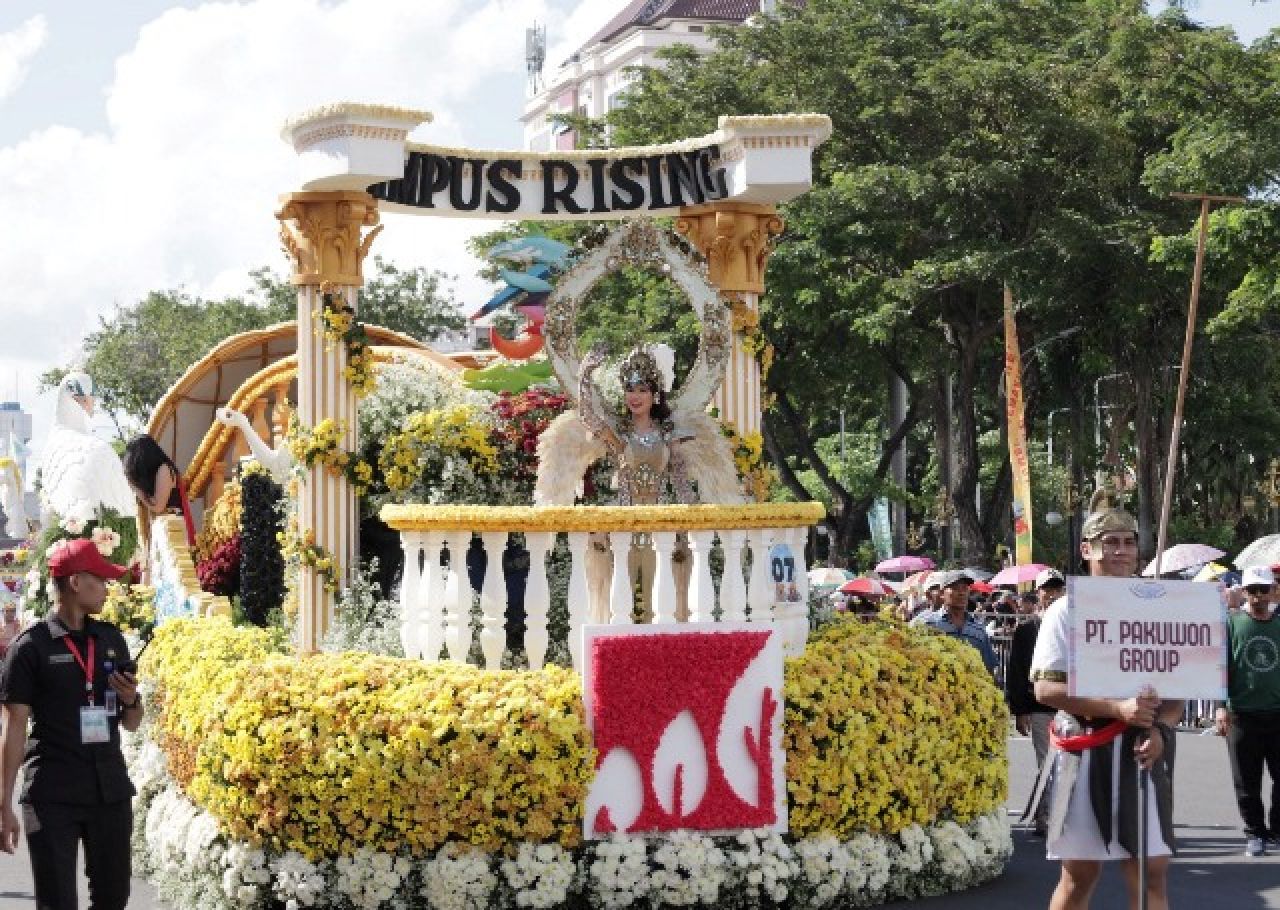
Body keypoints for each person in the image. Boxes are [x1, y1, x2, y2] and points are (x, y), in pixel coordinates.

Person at [1031, 492, 1183, 910]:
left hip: (1142, 755)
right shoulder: (1065, 612)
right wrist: (1117, 709)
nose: (1120, 551)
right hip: (1087, 750)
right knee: (1080, 875)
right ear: (1087, 549)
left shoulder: (1160, 610)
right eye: (1109, 541)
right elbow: (1046, 691)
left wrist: (1161, 729)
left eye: (1128, 542)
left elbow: (1179, 692)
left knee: (1150, 872)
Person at [0, 538, 142, 910]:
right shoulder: (30, 648)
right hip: (52, 793)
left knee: (114, 898)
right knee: (58, 902)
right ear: (76, 583)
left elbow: (131, 723)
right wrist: (4, 805)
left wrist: (131, 699)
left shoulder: (111, 640)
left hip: (108, 790)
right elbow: (13, 728)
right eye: (101, 579)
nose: (108, 588)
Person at [1215, 565, 1280, 856]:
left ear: (1272, 591)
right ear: (1243, 591)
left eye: (1262, 590)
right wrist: (1219, 706)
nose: (1257, 596)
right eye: (1251, 590)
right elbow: (1220, 667)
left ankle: (1276, 831)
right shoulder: (1230, 623)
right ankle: (1254, 832)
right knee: (1246, 781)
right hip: (1242, 714)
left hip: (1277, 714)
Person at [1007, 568, 1066, 835]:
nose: (1052, 594)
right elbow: (1017, 670)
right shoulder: (1027, 628)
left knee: (1068, 763)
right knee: (1047, 762)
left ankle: (1057, 814)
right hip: (1039, 706)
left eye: (1057, 589)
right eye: (1047, 589)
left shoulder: (1071, 624)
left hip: (1070, 707)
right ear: (1038, 593)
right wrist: (1020, 710)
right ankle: (1046, 817)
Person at [911, 569, 998, 674]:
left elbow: (989, 669)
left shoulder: (978, 631)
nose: (961, 593)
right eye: (955, 588)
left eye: (965, 589)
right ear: (942, 593)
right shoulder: (925, 624)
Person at [123, 433, 195, 548]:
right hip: (164, 529)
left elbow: (158, 506)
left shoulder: (164, 469)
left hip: (174, 530)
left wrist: (137, 489)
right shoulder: (157, 472)